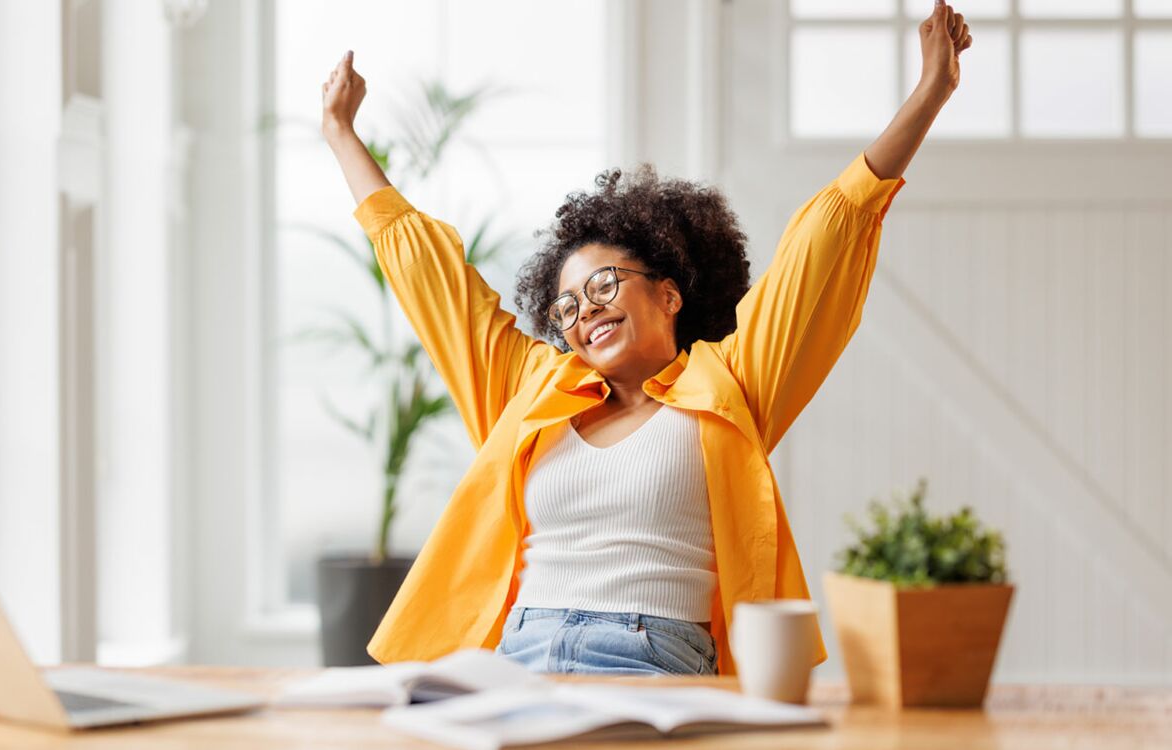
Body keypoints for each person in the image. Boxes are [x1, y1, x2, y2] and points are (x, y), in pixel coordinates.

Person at [317, 2, 973, 675]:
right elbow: (435, 282)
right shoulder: (533, 390)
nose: (585, 312)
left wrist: (929, 93)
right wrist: (341, 135)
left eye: (604, 285)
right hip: (518, 654)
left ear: (669, 293)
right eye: (567, 305)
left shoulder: (730, 385)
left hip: (650, 658)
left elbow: (826, 242)